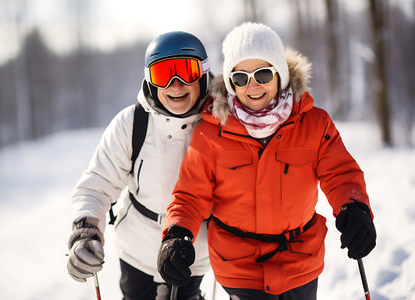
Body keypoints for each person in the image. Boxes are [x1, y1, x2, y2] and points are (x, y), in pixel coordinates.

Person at [157, 22, 377, 299]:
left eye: (262, 74)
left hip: (301, 260)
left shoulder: (313, 123)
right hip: (240, 266)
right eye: (240, 78)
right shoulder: (212, 132)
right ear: (230, 83)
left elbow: (341, 174)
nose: (252, 86)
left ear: (280, 75)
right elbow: (190, 195)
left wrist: (354, 208)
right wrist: (176, 233)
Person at [67, 31, 212, 300]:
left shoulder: (219, 126)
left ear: (203, 74)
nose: (176, 84)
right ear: (149, 80)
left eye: (186, 71)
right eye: (163, 74)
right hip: (136, 251)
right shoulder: (132, 123)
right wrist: (85, 231)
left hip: (192, 253)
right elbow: (97, 185)